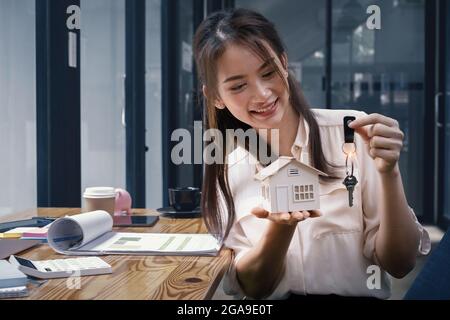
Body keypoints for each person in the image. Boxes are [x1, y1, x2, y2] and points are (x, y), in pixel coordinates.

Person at [193, 8, 430, 300]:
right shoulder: (229, 169)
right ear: (215, 96)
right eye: (239, 85)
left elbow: (400, 264)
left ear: (284, 62)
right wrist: (280, 229)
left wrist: (389, 172)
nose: (262, 93)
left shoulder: (353, 133)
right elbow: (254, 288)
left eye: (268, 72)